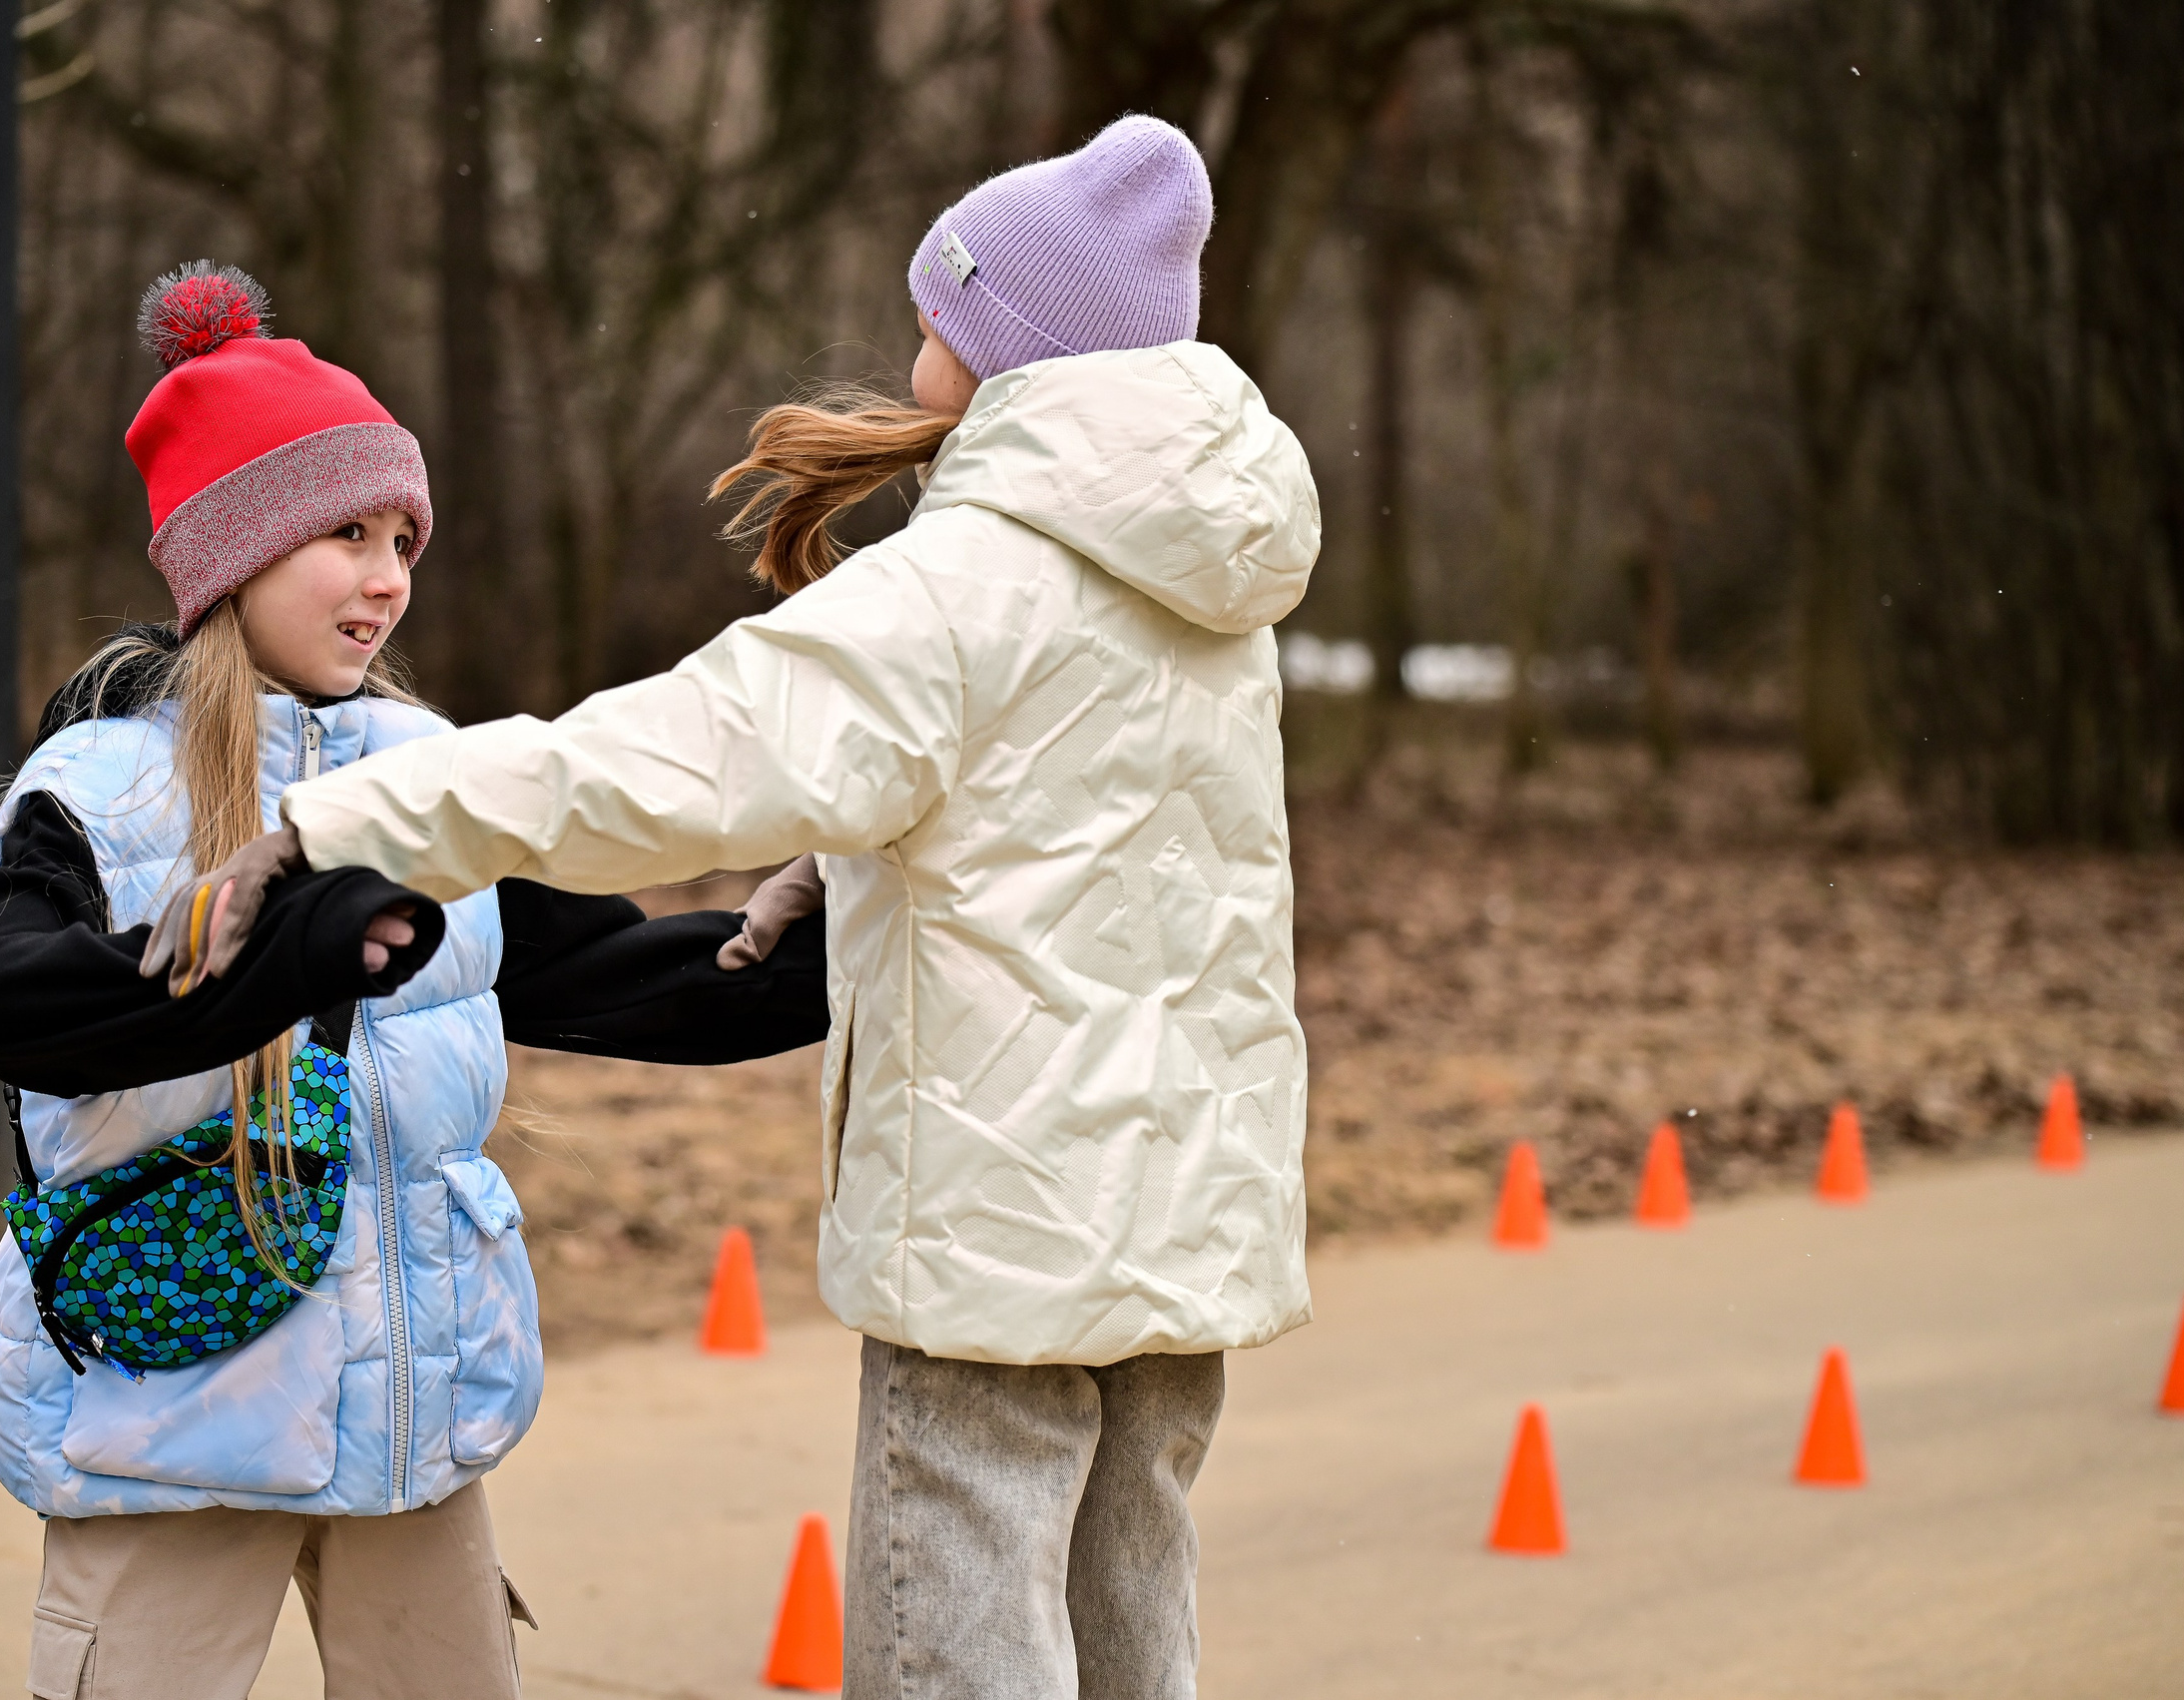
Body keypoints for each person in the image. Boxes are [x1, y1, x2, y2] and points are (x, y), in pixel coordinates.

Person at [163, 115, 1319, 1697]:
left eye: (939, 315)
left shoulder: (963, 587)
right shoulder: (1209, 586)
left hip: (998, 1239)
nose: (915, 347)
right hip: (1183, 1220)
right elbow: (1099, 819)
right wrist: (856, 849)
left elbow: (662, 758)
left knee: (962, 1654)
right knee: (1134, 1629)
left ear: (1009, 351)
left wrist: (344, 822)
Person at [0, 261, 826, 1700]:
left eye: (403, 538)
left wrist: (857, 949)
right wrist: (277, 954)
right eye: (345, 533)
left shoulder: (430, 779)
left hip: (411, 1436)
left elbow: (619, 974)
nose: (388, 576)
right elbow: (3, 1005)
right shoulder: (94, 789)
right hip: (171, 1438)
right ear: (232, 555)